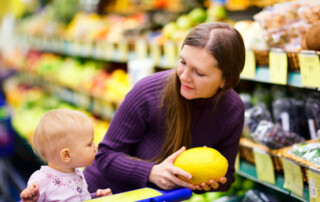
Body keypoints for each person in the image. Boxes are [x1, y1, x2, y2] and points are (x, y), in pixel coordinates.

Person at [84, 22, 245, 194]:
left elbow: (228, 176)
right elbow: (105, 155)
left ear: (225, 81)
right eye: (182, 62)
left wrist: (205, 182)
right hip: (107, 194)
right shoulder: (148, 92)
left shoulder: (232, 110)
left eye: (199, 72)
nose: (184, 76)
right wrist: (151, 172)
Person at [20, 109, 112, 202]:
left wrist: (95, 197)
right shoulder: (41, 180)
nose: (96, 146)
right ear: (67, 155)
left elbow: (79, 197)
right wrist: (30, 200)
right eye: (89, 144)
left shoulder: (77, 172)